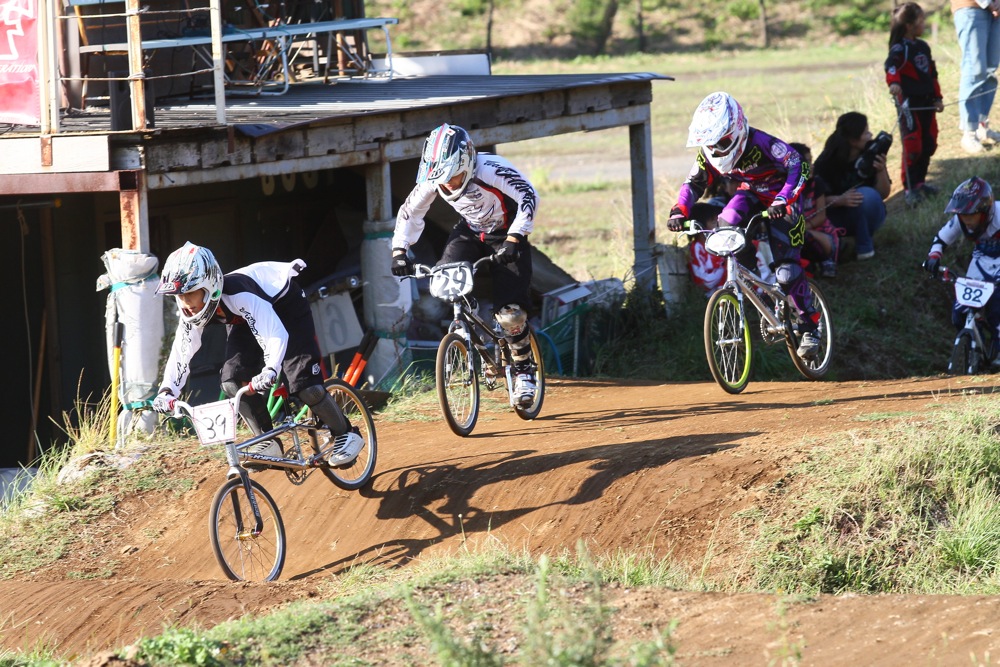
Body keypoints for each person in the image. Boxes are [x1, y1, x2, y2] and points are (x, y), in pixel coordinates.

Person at [150, 242, 363, 466]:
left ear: (210, 286)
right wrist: (167, 391)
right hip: (245, 319)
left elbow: (273, 332)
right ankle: (268, 440)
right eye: (179, 295)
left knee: (304, 385)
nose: (185, 303)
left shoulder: (240, 294)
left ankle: (346, 433)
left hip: (285, 306)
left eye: (190, 293)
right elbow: (181, 352)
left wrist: (270, 369)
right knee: (231, 381)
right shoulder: (191, 310)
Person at [390, 123, 541, 406]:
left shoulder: (491, 168)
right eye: (442, 180)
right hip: (470, 231)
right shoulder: (435, 179)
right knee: (445, 280)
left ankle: (524, 372)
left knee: (511, 313)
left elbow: (528, 196)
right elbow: (411, 212)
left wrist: (515, 237)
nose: (448, 185)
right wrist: (399, 250)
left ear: (468, 161)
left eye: (454, 177)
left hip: (507, 232)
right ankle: (473, 334)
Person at [667, 91, 822, 359]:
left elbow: (798, 164)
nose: (716, 149)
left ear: (737, 129)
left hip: (780, 197)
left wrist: (784, 199)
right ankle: (752, 282)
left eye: (721, 142)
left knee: (786, 271)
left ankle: (810, 325)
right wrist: (680, 211)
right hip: (750, 192)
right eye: (710, 144)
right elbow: (693, 183)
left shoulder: (761, 143)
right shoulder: (709, 153)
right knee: (725, 224)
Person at [924, 177, 1000, 352]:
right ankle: (974, 345)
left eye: (971, 214)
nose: (967, 220)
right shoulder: (960, 220)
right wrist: (934, 257)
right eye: (963, 214)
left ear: (985, 210)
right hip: (980, 262)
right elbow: (941, 239)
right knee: (959, 313)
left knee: (997, 307)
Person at [812, 112, 892, 261]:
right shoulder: (826, 162)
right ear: (854, 140)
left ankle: (862, 245)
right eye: (866, 132)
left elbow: (882, 194)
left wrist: (881, 170)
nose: (870, 135)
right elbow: (813, 199)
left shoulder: (871, 154)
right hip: (834, 217)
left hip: (868, 211)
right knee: (857, 198)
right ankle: (848, 245)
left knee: (864, 196)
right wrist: (839, 200)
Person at [885, 2, 944, 204]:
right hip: (909, 105)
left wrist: (938, 97)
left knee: (929, 142)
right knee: (913, 145)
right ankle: (909, 189)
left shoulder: (923, 47)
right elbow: (891, 67)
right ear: (909, 25)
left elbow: (932, 74)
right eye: (921, 20)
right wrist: (894, 84)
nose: (924, 24)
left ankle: (920, 183)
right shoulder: (899, 48)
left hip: (927, 102)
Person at [952, 0, 1000, 154]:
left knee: (990, 69)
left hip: (995, 11)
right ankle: (969, 132)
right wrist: (988, 2)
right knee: (974, 69)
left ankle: (982, 125)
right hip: (970, 7)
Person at [790, 142, 841, 279]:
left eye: (811, 161)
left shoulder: (816, 183)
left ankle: (827, 260)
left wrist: (804, 229)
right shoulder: (786, 189)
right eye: (807, 162)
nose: (812, 166)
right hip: (797, 236)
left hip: (820, 233)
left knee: (804, 236)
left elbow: (821, 217)